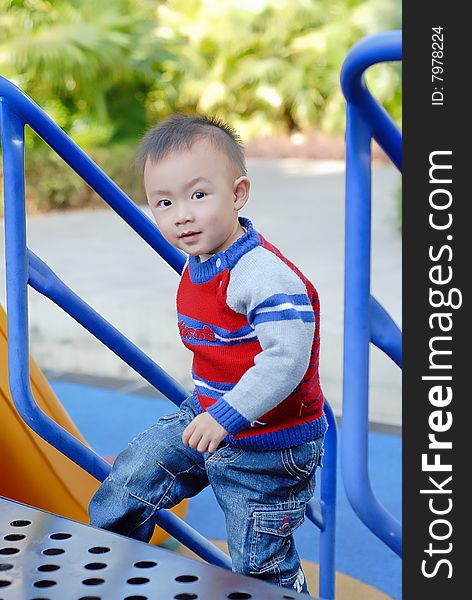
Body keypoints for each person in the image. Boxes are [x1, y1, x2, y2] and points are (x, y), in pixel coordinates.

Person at [88, 114, 328, 595]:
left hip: (270, 445)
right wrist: (217, 414)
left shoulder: (261, 275)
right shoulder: (200, 260)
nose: (182, 215)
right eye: (164, 202)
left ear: (238, 193)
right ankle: (105, 568)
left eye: (199, 195)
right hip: (210, 417)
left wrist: (227, 415)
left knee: (259, 566)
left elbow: (287, 358)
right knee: (132, 476)